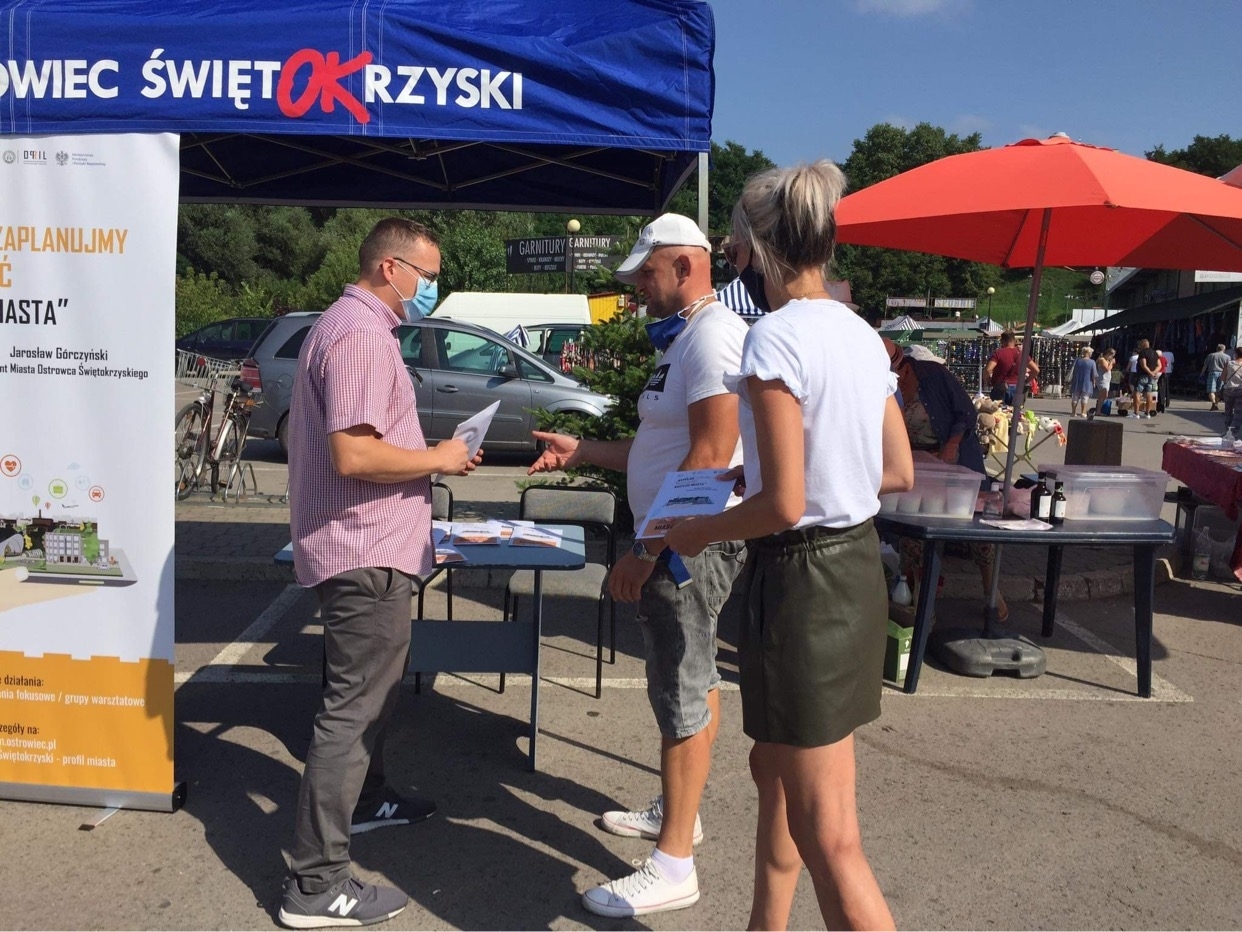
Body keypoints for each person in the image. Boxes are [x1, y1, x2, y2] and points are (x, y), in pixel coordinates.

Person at [665, 160, 913, 931]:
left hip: (803, 585)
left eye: (734, 249)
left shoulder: (771, 337)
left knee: (828, 835)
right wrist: (786, 472)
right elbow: (897, 471)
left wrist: (700, 528)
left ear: (752, 248)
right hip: (854, 569)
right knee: (776, 775)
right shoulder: (859, 334)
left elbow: (784, 504)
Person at [529, 213, 748, 918]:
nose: (637, 289)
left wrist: (647, 550)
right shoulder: (686, 338)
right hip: (680, 539)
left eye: (645, 274)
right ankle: (679, 815)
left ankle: (674, 864)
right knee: (696, 679)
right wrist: (585, 451)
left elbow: (711, 454)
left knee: (680, 689)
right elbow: (662, 446)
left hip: (683, 546)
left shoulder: (711, 335)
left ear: (685, 265)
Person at [279, 218, 482, 929]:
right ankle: (315, 884)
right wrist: (439, 459)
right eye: (428, 276)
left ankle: (367, 802)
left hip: (369, 547)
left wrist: (431, 455)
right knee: (352, 712)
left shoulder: (352, 327)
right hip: (364, 551)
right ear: (391, 268)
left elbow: (368, 443)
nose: (432, 288)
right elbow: (355, 455)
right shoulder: (361, 334)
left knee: (368, 701)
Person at [882, 338, 1008, 621]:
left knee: (974, 525)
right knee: (912, 527)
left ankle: (991, 588)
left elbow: (966, 412)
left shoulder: (934, 374)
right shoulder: (884, 389)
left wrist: (951, 444)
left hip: (955, 462)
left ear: (904, 367)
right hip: (917, 466)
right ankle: (916, 597)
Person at [985, 331, 1039, 405]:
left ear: (1003, 341)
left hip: (1001, 388)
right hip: (1017, 389)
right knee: (1015, 411)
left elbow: (988, 370)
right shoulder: (1022, 354)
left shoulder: (998, 353)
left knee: (1000, 411)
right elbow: (1036, 370)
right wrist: (1026, 381)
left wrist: (987, 381)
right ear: (1014, 341)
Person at [1130, 338, 1161, 420]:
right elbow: (1159, 365)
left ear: (1143, 345)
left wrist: (1150, 372)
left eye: (1140, 345)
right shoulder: (1155, 353)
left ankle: (1136, 413)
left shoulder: (1142, 353)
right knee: (1149, 393)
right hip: (1151, 377)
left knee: (1137, 393)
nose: (1139, 347)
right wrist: (1153, 373)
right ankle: (1147, 413)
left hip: (1143, 375)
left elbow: (1143, 365)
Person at [1068, 345, 1098, 418]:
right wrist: (1094, 382)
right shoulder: (1092, 362)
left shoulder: (1077, 360)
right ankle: (1083, 412)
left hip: (1076, 381)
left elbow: (1073, 370)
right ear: (1089, 353)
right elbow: (1094, 374)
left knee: (1075, 397)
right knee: (1085, 397)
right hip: (1087, 382)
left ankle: (1073, 412)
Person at [1201, 344, 1231, 411]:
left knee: (1211, 390)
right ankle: (1216, 404)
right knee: (1219, 390)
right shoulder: (1227, 357)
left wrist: (1202, 373)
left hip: (1212, 373)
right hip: (1222, 374)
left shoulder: (1211, 355)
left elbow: (1205, 366)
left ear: (1217, 348)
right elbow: (1228, 367)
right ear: (1224, 349)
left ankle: (1213, 403)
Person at [1088, 348, 1116, 418]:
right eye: (1111, 355)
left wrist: (1111, 363)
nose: (1111, 357)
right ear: (1108, 354)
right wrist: (1111, 363)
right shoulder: (1102, 360)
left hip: (1106, 379)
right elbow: (1107, 369)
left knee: (1104, 395)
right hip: (1102, 379)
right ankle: (1098, 411)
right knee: (1103, 395)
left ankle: (1098, 409)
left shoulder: (1107, 360)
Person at [1222, 346, 1242, 435]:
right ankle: (1233, 432)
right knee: (1238, 412)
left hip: (1228, 390)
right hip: (1240, 391)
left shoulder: (1229, 363)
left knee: (1228, 411)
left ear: (1235, 354)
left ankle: (1227, 431)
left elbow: (1223, 377)